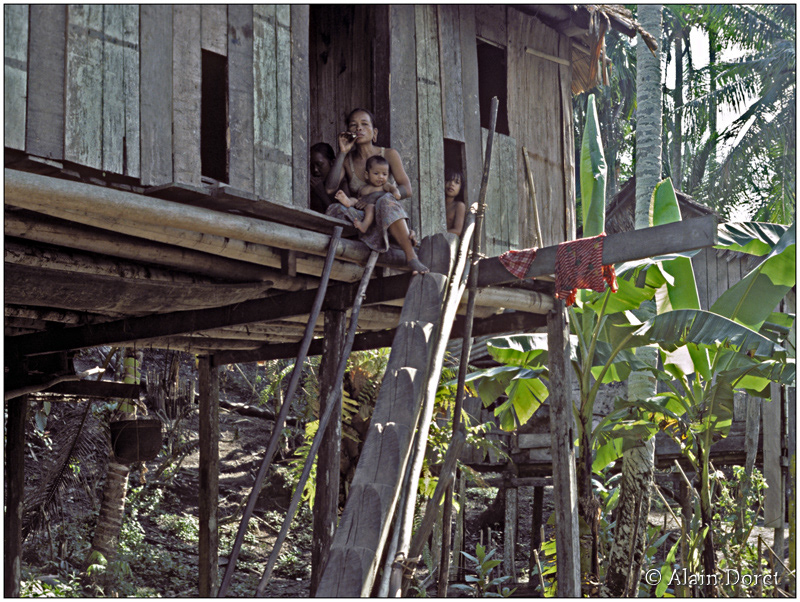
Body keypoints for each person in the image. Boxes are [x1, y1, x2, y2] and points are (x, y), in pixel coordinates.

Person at [325, 108, 429, 274]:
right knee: (335, 209)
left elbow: (407, 189)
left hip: (385, 213)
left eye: (364, 124)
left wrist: (376, 195)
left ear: (374, 132)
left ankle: (412, 258)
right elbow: (330, 188)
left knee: (385, 201)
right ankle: (389, 236)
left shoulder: (388, 154)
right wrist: (342, 153)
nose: (358, 128)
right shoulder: (348, 161)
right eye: (353, 125)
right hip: (363, 219)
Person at [334, 155, 400, 233]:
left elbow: (392, 188)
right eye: (376, 173)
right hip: (361, 210)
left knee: (370, 207)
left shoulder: (384, 186)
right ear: (367, 175)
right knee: (354, 200)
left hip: (376, 210)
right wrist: (354, 202)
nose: (381, 177)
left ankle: (364, 225)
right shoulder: (363, 188)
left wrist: (396, 192)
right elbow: (359, 200)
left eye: (384, 174)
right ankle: (348, 202)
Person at [309, 142, 339, 214]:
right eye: (311, 166)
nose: (315, 169)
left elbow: (340, 216)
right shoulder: (311, 186)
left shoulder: (341, 185)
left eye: (319, 164)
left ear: (332, 163)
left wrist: (322, 194)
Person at [444, 168, 466, 235]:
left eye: (456, 182)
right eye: (448, 180)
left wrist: (438, 233)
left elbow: (458, 231)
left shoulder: (459, 206)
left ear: (460, 188)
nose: (451, 184)